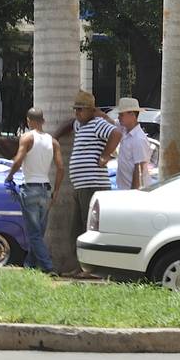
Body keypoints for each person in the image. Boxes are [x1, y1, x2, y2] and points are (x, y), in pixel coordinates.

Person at [63, 90, 120, 272]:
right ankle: (81, 266)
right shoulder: (80, 125)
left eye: (81, 110)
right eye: (76, 110)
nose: (77, 113)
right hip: (81, 185)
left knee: (88, 227)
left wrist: (105, 155)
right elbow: (69, 125)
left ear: (91, 110)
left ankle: (93, 268)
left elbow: (116, 133)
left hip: (93, 184)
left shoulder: (97, 124)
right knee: (77, 227)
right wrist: (54, 136)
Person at [4, 107, 62, 272]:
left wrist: (9, 177)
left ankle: (48, 267)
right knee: (38, 232)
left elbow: (18, 160)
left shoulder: (27, 138)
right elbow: (60, 168)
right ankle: (30, 265)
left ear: (28, 121)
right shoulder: (53, 141)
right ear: (43, 121)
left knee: (34, 233)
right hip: (45, 189)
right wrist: (56, 190)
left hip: (30, 188)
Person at [112, 98, 151, 191]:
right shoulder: (124, 130)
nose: (119, 117)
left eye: (121, 114)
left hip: (134, 192)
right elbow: (110, 121)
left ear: (132, 115)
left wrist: (133, 194)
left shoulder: (139, 139)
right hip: (124, 189)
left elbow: (139, 169)